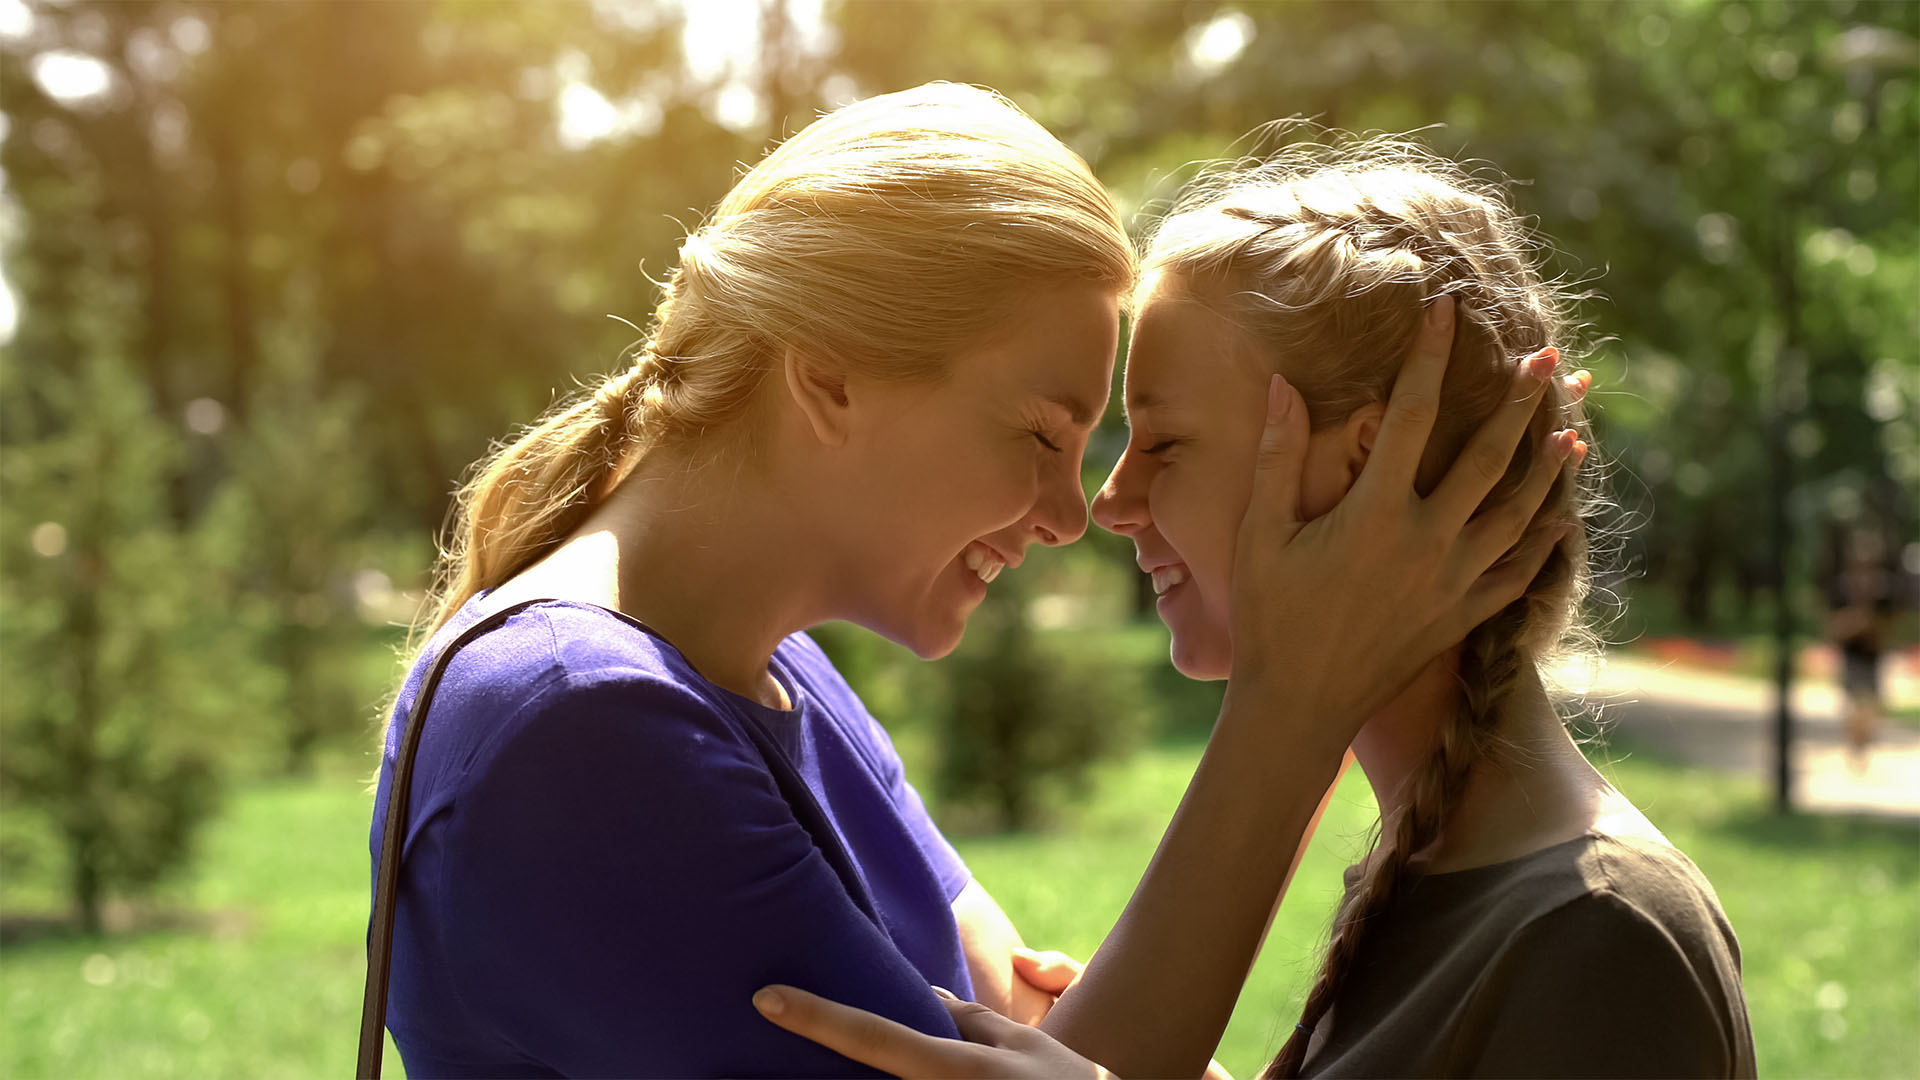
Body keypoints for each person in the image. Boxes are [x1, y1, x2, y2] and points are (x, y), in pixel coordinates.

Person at [367, 85, 1572, 1077]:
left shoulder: (782, 680)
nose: (1070, 515)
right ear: (831, 378)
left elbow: (1049, 1047)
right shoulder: (582, 727)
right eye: (1045, 436)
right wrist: (1296, 705)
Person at [752, 139, 1757, 1078]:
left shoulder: (1602, 932)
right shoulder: (1438, 873)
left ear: (1361, 466)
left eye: (1168, 445)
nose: (1111, 503)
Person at [1826, 527, 1897, 770]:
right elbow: (1831, 624)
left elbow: (1892, 622)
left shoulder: (1884, 588)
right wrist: (1855, 624)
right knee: (1854, 706)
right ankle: (1855, 748)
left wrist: (1872, 626)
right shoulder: (1842, 586)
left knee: (1870, 708)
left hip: (1873, 656)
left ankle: (1861, 746)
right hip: (1851, 655)